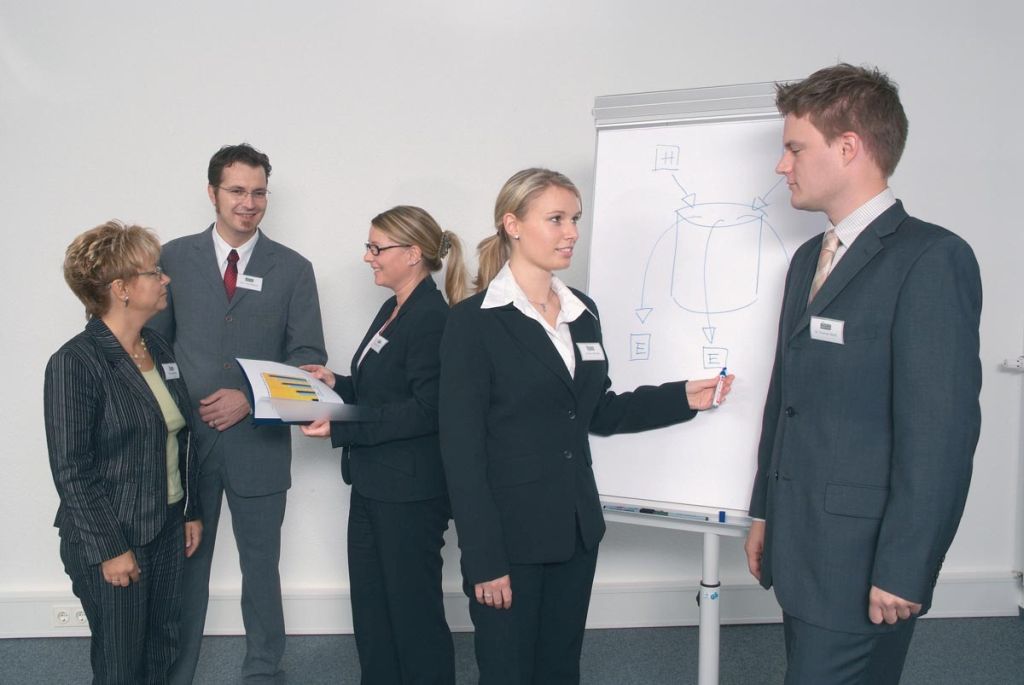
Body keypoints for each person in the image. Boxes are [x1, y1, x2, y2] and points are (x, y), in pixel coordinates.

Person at [439, 168, 733, 684]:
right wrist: (483, 558)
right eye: (556, 219)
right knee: (508, 673)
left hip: (576, 530)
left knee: (560, 670)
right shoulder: (473, 321)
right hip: (510, 540)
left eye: (574, 218)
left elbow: (597, 410)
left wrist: (682, 397)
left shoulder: (583, 312)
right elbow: (461, 452)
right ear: (513, 224)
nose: (572, 232)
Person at [743, 64, 982, 685]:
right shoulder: (807, 260)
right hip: (800, 547)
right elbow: (786, 399)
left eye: (795, 148)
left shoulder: (932, 259)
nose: (782, 165)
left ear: (848, 147)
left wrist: (906, 567)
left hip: (865, 562)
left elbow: (941, 436)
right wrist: (765, 512)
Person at [150, 143, 327, 684]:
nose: (248, 203)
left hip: (259, 447)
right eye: (236, 191)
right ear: (212, 193)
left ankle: (263, 672)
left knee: (261, 568)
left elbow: (308, 360)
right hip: (188, 448)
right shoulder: (171, 260)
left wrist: (250, 397)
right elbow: (153, 348)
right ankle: (176, 674)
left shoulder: (293, 269)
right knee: (185, 569)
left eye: (258, 192)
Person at [300, 205, 469, 684]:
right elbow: (383, 390)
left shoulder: (431, 317)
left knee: (413, 618)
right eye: (368, 246)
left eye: (377, 247)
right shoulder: (394, 308)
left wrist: (341, 426)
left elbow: (426, 410)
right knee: (373, 614)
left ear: (413, 254)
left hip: (410, 494)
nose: (367, 256)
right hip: (373, 485)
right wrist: (336, 383)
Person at [44, 220, 203, 683]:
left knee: (162, 649)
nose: (165, 279)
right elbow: (72, 470)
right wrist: (111, 549)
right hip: (114, 536)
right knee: (121, 665)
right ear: (122, 289)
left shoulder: (157, 347)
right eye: (154, 272)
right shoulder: (75, 362)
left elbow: (180, 435)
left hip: (167, 526)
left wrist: (189, 510)